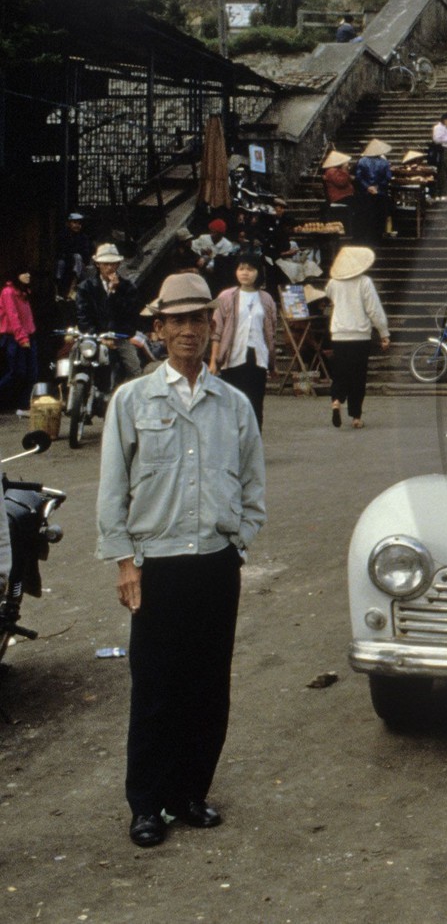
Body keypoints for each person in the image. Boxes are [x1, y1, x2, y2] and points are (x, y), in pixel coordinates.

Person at [97, 271, 265, 848]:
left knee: (207, 684)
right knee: (155, 688)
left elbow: (252, 488)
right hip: (158, 566)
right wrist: (124, 560)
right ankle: (146, 805)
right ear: (160, 328)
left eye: (199, 319)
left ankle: (190, 794)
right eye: (178, 321)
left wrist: (238, 543)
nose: (189, 330)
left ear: (212, 325)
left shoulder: (233, 405)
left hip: (215, 564)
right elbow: (112, 489)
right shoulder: (132, 399)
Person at [324, 246, 390, 429]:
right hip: (359, 336)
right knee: (358, 375)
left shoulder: (333, 283)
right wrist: (384, 333)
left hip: (338, 335)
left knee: (340, 372)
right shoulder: (364, 282)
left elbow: (329, 297)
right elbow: (374, 310)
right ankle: (355, 416)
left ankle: (336, 400)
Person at [208, 253, 275, 428]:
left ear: (258, 272)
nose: (245, 273)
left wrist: (272, 361)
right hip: (232, 357)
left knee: (255, 405)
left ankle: (254, 449)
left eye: (250, 269)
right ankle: (233, 450)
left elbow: (271, 331)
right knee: (232, 406)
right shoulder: (226, 296)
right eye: (241, 268)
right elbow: (217, 331)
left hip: (257, 359)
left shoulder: (266, 299)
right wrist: (214, 361)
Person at [76, 243, 144, 387]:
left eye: (113, 264)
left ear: (118, 264)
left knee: (135, 370)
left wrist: (114, 293)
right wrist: (97, 335)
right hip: (94, 336)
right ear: (98, 264)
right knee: (75, 357)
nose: (109, 268)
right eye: (105, 264)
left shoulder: (128, 287)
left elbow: (130, 314)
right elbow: (83, 315)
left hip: (119, 337)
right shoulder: (86, 287)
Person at [0, 270, 35, 415]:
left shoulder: (24, 292)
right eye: (23, 273)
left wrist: (29, 334)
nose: (28, 275)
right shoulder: (8, 292)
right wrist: (22, 338)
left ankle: (24, 405)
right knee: (16, 372)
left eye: (28, 272)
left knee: (32, 372)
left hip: (29, 335)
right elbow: (13, 316)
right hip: (14, 337)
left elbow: (27, 317)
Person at [351, 139, 392, 245]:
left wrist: (368, 187)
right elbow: (388, 177)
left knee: (366, 215)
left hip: (365, 193)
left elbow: (358, 178)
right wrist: (377, 187)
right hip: (380, 192)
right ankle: (378, 238)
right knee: (379, 215)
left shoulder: (362, 161)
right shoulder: (384, 162)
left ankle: (366, 238)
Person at [56, 211, 96, 296]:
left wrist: (84, 262)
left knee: (77, 257)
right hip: (66, 261)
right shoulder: (63, 236)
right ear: (69, 224)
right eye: (74, 223)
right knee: (60, 263)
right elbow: (61, 250)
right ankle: (57, 289)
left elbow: (86, 252)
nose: (77, 225)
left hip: (77, 266)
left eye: (79, 223)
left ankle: (73, 286)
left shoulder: (83, 237)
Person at [321, 149, 355, 219]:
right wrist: (345, 170)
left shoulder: (335, 171)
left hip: (344, 196)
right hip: (340, 197)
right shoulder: (332, 171)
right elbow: (341, 182)